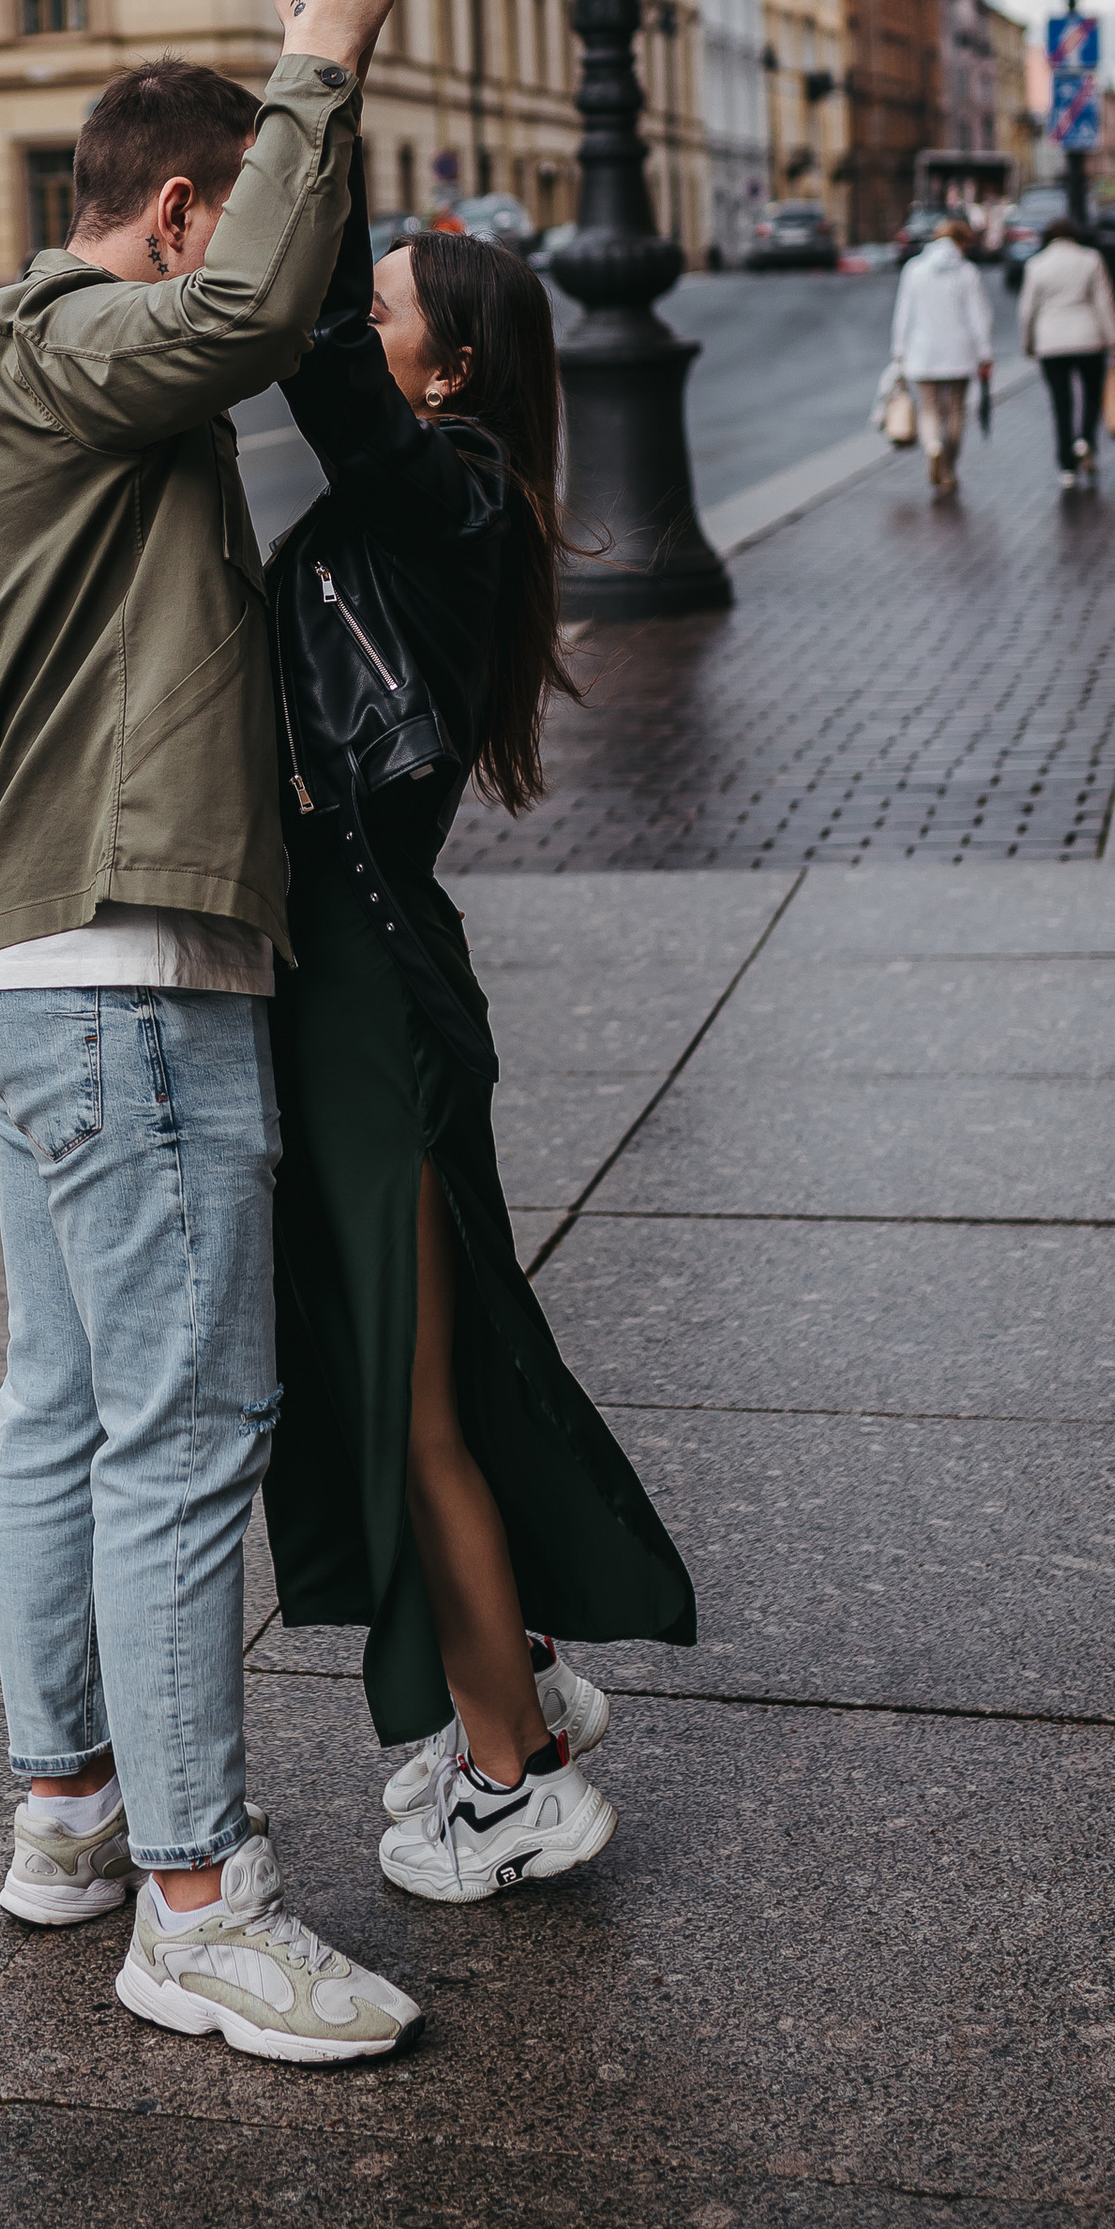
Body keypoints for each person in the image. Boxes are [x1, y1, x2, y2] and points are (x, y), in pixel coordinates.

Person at [0, 0, 428, 2070]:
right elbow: (240, 317)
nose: (294, 301)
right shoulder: (56, 330)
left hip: (63, 965)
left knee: (66, 1403)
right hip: (116, 979)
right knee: (179, 1432)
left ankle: (68, 1817)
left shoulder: (79, 388)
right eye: (261, 238)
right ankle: (200, 1906)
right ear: (170, 216)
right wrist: (318, 47)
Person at [262, 174, 696, 1905]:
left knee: (414, 1401)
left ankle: (510, 1781)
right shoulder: (453, 501)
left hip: (370, 993)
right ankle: (505, 1691)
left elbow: (314, 372)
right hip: (377, 978)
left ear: (442, 371)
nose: (358, 324)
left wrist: (316, 93)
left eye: (382, 308)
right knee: (427, 1371)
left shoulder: (440, 490)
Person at [889, 211, 995, 496]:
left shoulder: (914, 269)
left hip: (922, 351)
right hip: (960, 352)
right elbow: (979, 318)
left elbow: (904, 314)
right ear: (961, 242)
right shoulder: (966, 272)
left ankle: (933, 446)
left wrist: (899, 350)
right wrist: (985, 354)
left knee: (930, 407)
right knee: (957, 409)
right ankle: (948, 466)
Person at [1018, 213, 1115, 489]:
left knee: (1061, 404)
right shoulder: (1090, 260)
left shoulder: (1036, 265)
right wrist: (1114, 339)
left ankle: (1067, 467)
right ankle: (1085, 440)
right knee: (1091, 395)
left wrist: (1028, 343)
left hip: (1051, 343)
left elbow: (1027, 311)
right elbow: (1104, 302)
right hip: (1089, 338)